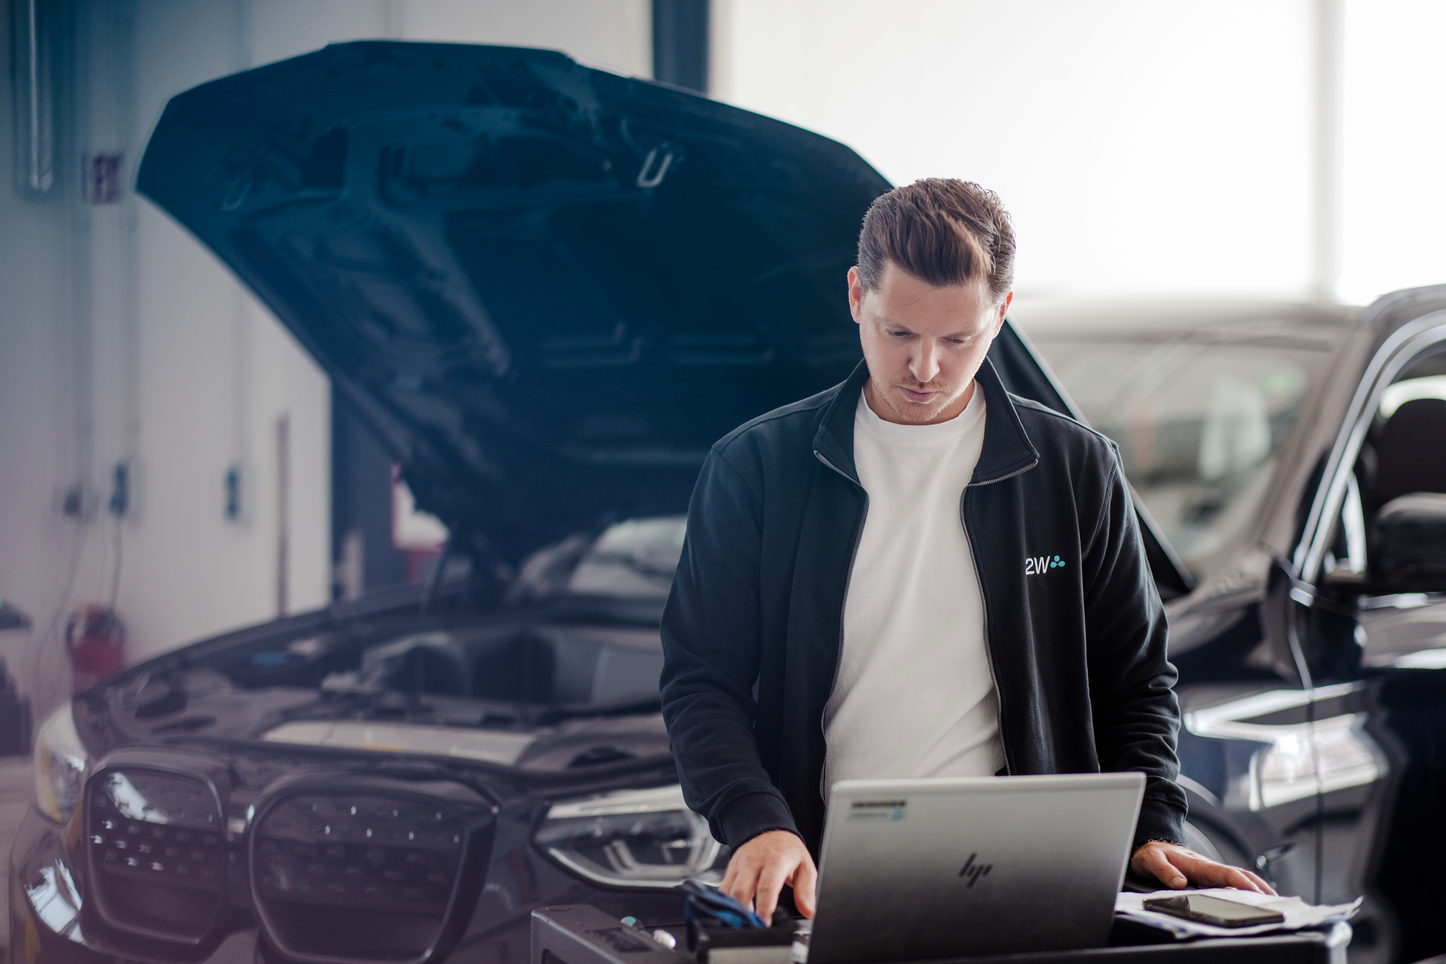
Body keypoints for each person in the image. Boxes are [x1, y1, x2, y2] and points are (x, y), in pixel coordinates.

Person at [658, 179, 1274, 922]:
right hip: (821, 883)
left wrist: (1149, 828)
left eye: (958, 340)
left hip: (1032, 882)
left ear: (1002, 316)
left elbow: (1135, 680)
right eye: (898, 333)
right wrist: (756, 819)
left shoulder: (1076, 470)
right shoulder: (756, 468)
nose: (925, 368)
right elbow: (701, 680)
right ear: (857, 295)